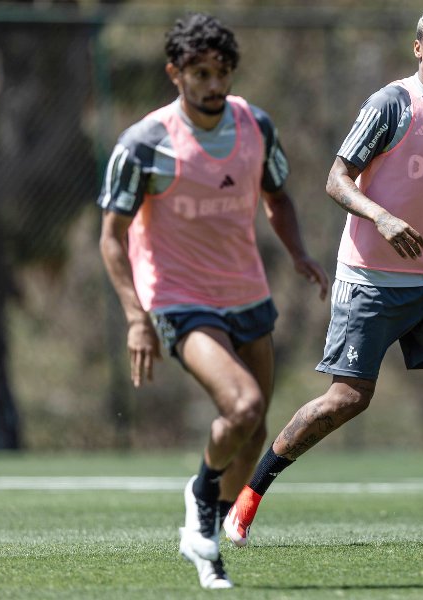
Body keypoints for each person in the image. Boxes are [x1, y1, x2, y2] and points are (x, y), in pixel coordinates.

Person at [222, 8, 423, 548]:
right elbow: (336, 178)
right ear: (417, 48)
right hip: (370, 278)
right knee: (348, 399)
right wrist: (380, 215)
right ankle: (249, 493)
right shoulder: (392, 105)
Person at [97, 12, 329, 589]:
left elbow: (279, 196)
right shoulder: (144, 144)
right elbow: (110, 236)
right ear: (175, 73)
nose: (213, 84)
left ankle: (209, 545)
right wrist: (135, 317)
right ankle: (200, 496)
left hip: (247, 294)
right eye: (199, 72)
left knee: (254, 430)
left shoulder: (255, 125)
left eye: (222, 71)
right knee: (244, 406)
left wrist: (298, 252)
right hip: (178, 300)